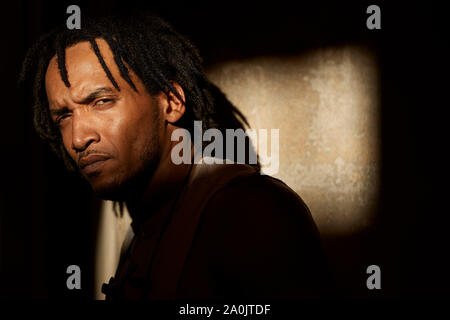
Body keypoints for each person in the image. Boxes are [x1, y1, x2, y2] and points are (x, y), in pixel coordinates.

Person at [20, 12, 333, 299]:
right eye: (63, 116)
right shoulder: (142, 229)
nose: (78, 138)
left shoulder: (247, 212)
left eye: (101, 101)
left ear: (170, 101)